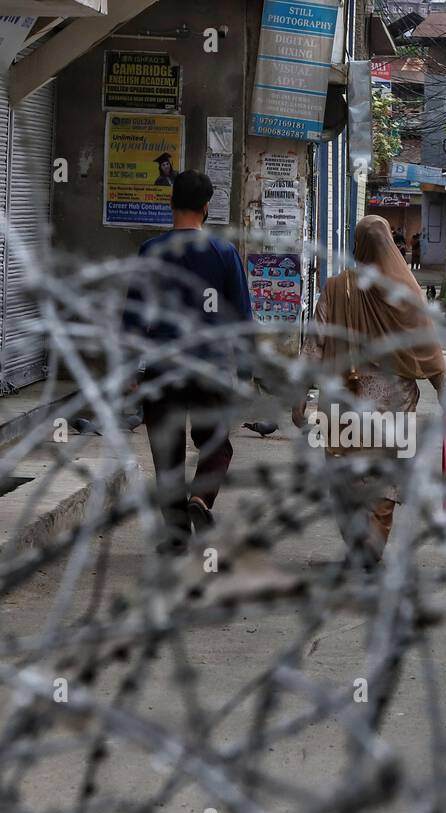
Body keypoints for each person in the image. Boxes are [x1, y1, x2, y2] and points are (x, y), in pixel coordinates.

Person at [293, 216, 446, 568]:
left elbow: (316, 343)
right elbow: (428, 349)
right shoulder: (407, 292)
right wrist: (443, 389)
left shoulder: (336, 288)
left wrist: (300, 393)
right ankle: (370, 550)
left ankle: (358, 545)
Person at [123, 170, 252, 553]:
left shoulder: (150, 251)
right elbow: (241, 318)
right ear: (207, 206)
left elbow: (133, 316)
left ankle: (177, 536)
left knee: (167, 454)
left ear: (170, 203)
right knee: (216, 445)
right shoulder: (223, 253)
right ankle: (201, 499)